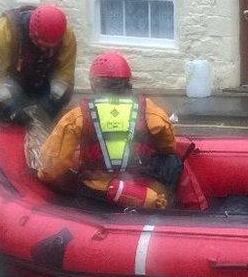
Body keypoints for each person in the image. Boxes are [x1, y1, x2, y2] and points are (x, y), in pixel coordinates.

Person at [37, 52, 180, 210]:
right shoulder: (150, 110)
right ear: (127, 83)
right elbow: (169, 146)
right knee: (173, 161)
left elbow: (52, 166)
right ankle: (165, 206)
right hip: (143, 187)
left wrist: (45, 177)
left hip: (97, 192)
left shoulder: (77, 116)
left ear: (94, 84)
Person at [0, 4, 76, 124]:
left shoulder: (66, 35)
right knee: (14, 129)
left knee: (45, 129)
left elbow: (65, 73)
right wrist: (10, 107)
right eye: (41, 45)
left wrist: (52, 101)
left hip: (45, 85)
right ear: (31, 33)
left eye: (50, 47)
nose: (44, 50)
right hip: (13, 85)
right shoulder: (3, 31)